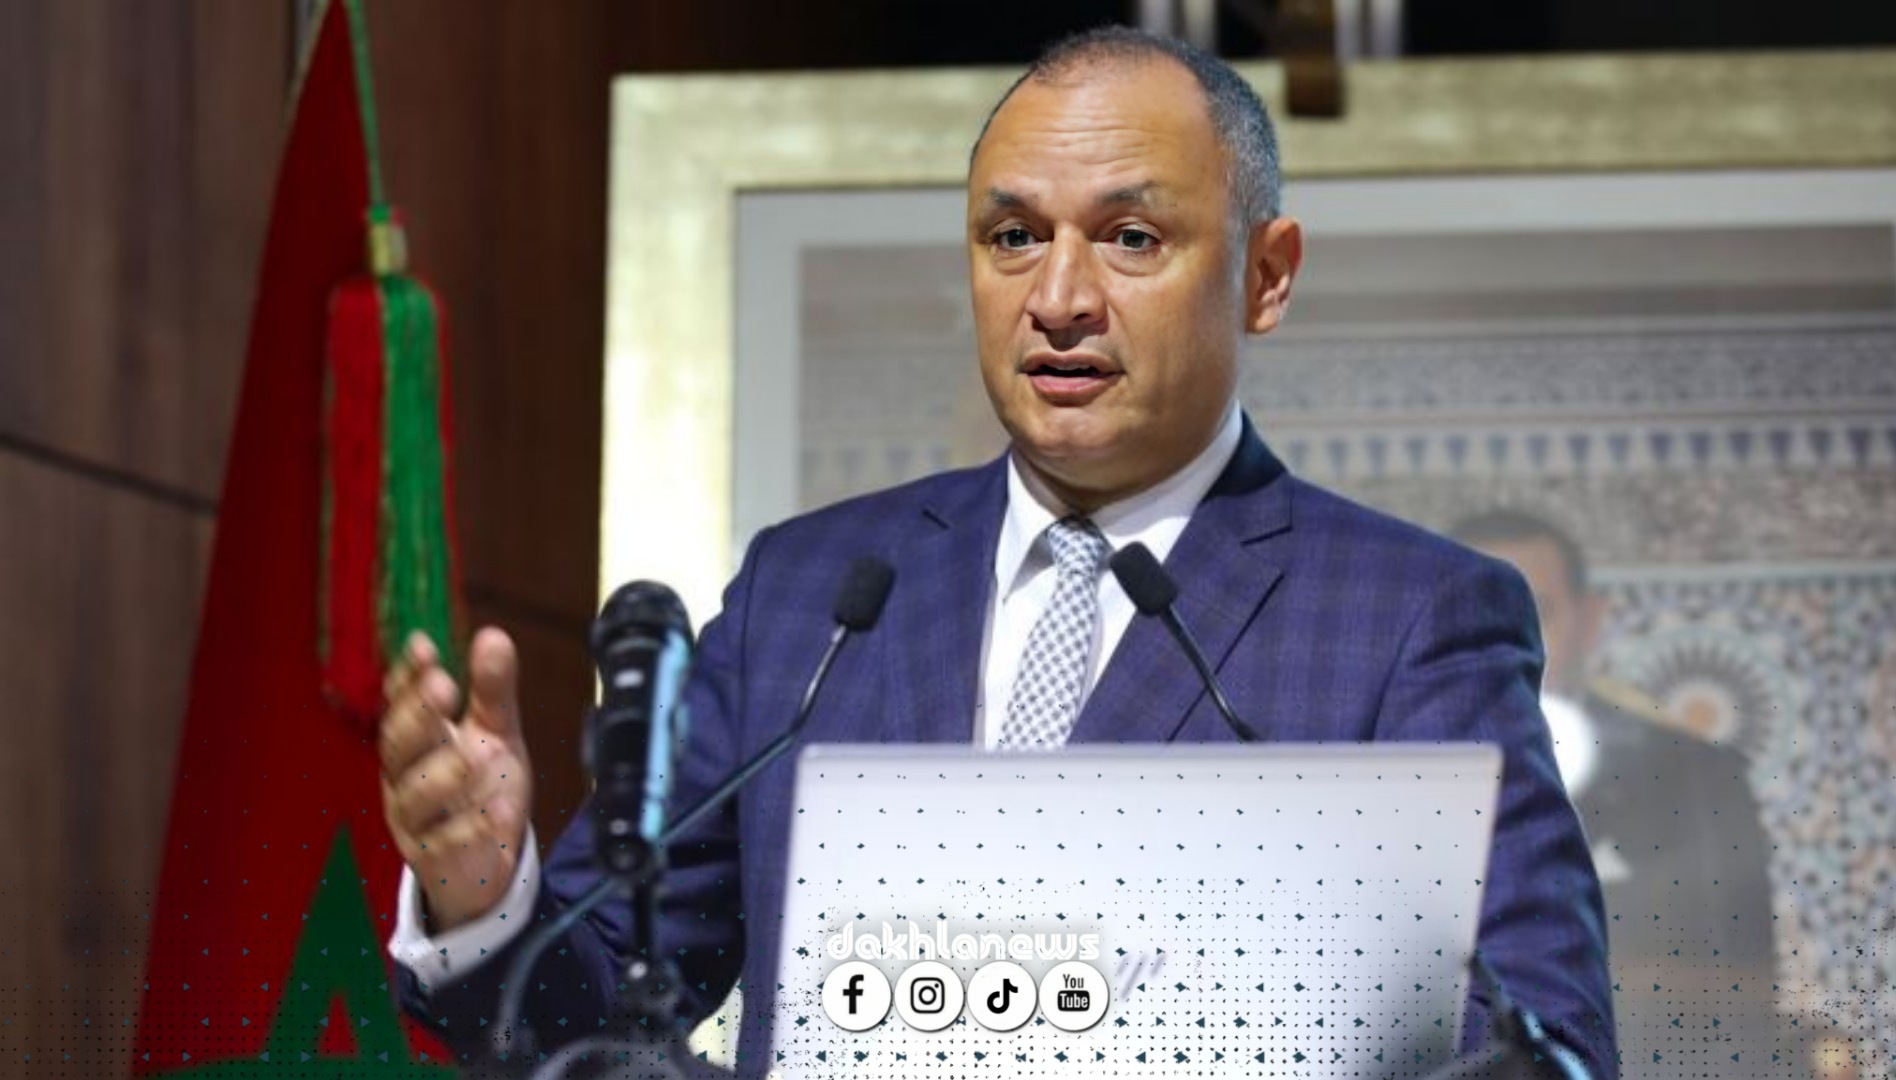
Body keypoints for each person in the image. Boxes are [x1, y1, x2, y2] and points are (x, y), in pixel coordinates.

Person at [379, 27, 1614, 1079]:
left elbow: (1541, 1044)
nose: (1058, 298)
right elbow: (587, 1019)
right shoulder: (811, 597)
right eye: (1013, 236)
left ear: (1266, 275)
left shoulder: (1410, 621)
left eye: (1131, 238)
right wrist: (487, 897)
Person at [1452, 510, 1776, 1066]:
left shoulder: (1697, 780)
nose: (1504, 644)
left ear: (1588, 622)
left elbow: (1745, 993)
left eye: (1536, 613)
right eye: (1473, 616)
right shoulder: (1387, 778)